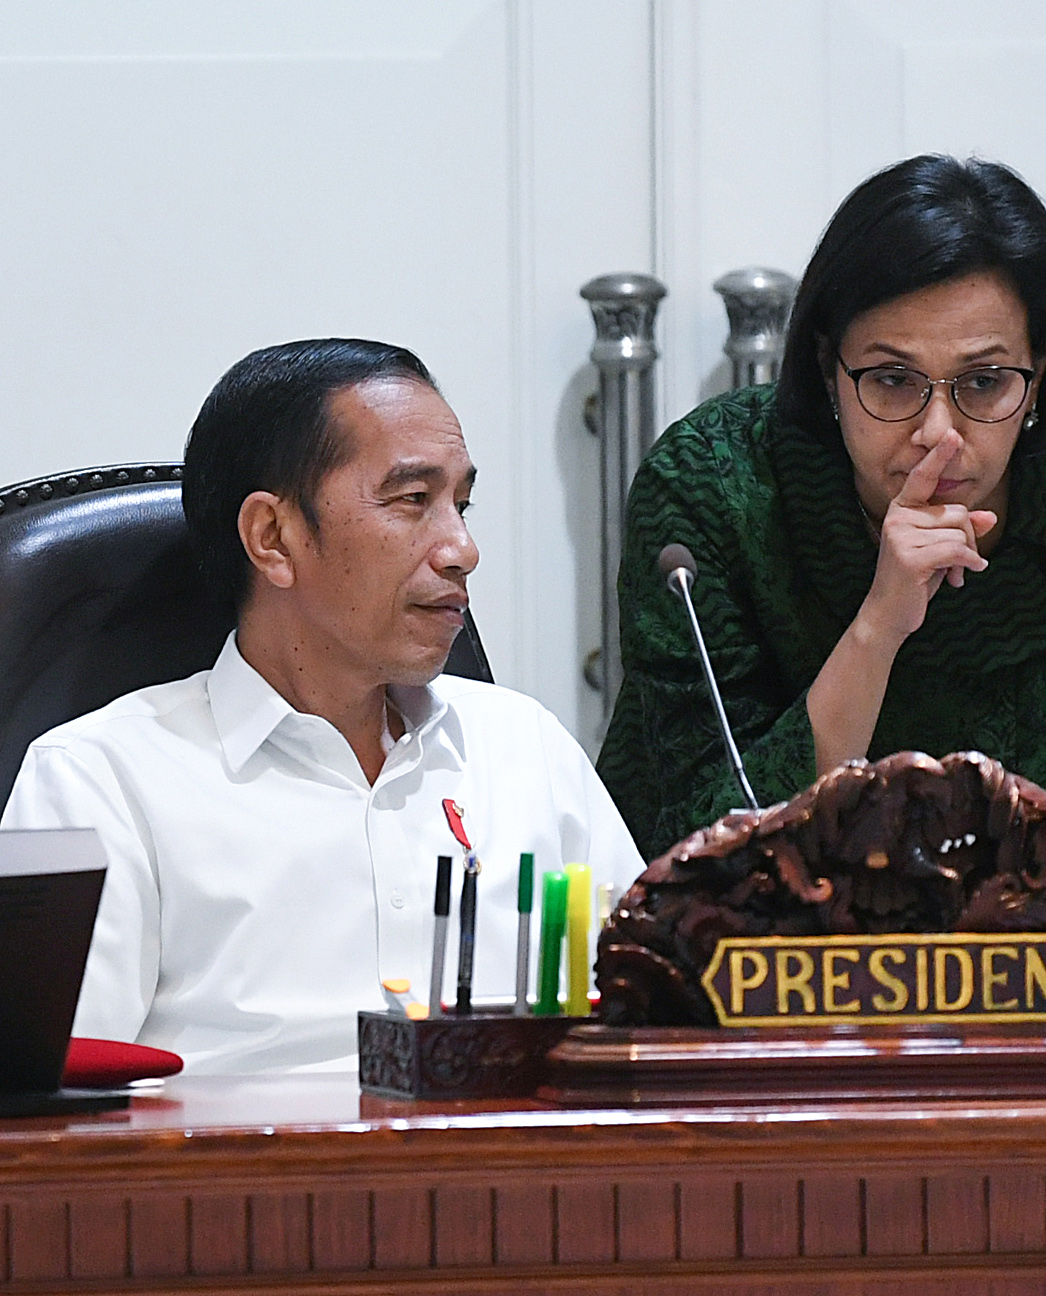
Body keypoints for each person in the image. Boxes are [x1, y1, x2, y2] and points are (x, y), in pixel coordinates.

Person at [1, 340, 643, 1074]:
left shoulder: (526, 749)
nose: (462, 549)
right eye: (412, 501)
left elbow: (653, 1028)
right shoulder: (101, 780)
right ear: (273, 538)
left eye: (461, 506)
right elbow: (50, 1105)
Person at [599, 155, 1046, 854]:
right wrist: (878, 627)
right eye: (893, 380)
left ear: (1041, 372)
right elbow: (705, 834)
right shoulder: (710, 481)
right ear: (828, 367)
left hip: (1011, 918)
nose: (938, 433)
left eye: (985, 382)